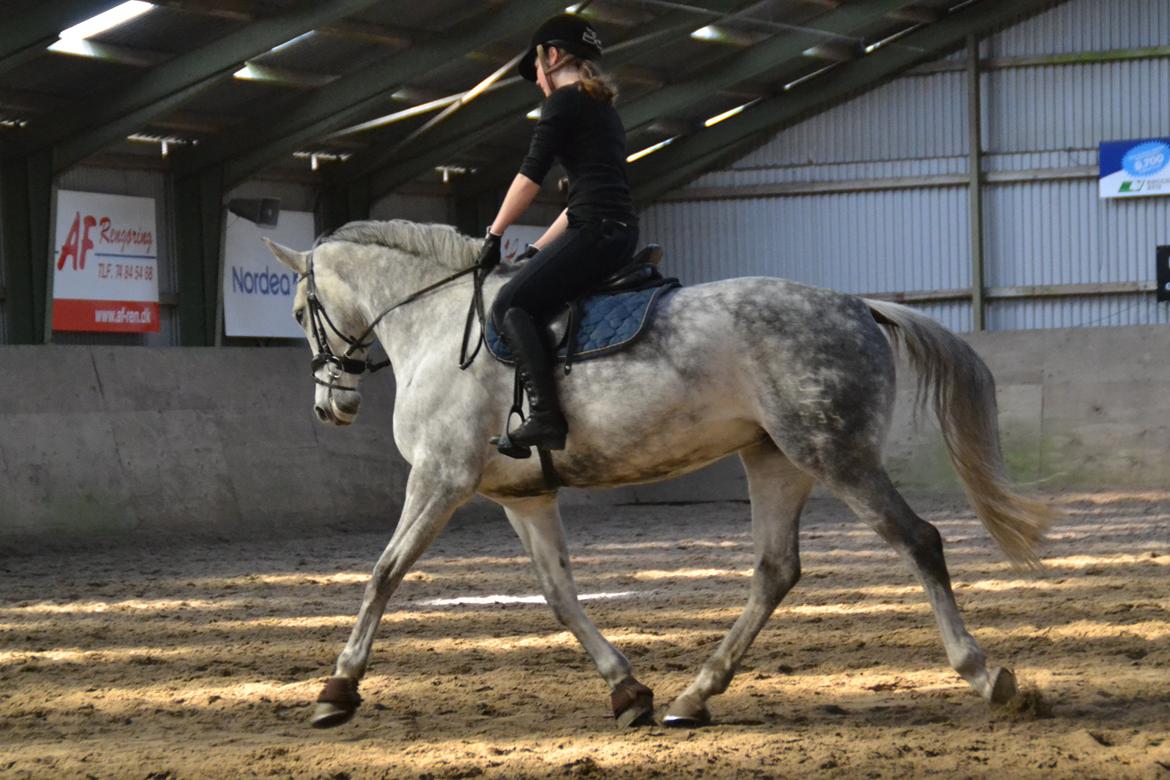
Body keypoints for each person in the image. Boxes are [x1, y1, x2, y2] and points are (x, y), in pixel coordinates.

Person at [476, 13, 639, 455]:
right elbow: (580, 199)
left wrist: (494, 235)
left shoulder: (563, 103)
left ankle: (546, 416)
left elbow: (529, 178)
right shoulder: (603, 110)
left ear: (551, 56)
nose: (537, 81)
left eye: (536, 70)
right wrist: (535, 249)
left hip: (595, 231)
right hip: (617, 230)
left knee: (509, 305)